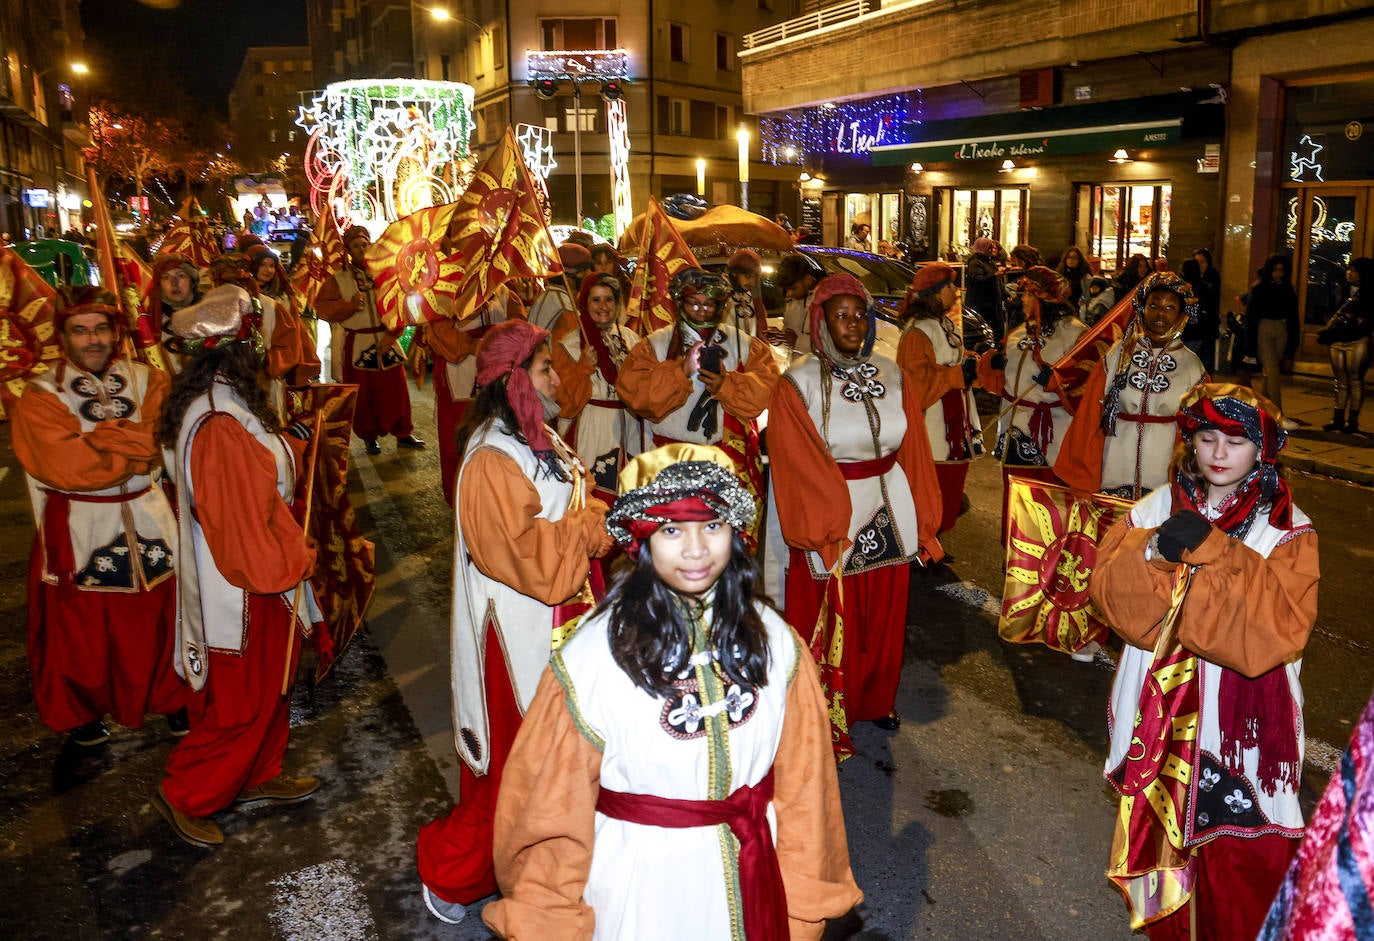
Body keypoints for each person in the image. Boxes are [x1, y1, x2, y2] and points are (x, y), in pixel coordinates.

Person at [482, 443, 864, 940]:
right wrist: (548, 917)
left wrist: (805, 901)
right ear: (641, 542)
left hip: (755, 877)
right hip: (639, 887)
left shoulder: (776, 643)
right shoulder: (593, 659)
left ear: (736, 532)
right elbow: (549, 813)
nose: (696, 550)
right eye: (671, 529)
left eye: (711, 525)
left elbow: (806, 788)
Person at [1091, 383, 1319, 940]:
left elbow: (1273, 633)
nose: (1218, 453)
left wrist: (1215, 552)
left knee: (1243, 848)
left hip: (1237, 721)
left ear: (1262, 450)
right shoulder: (1155, 507)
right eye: (1207, 438)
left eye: (1236, 442)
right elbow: (1111, 600)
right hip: (1159, 703)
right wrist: (1151, 554)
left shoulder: (1288, 529)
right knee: (1162, 831)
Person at [417, 320, 612, 925]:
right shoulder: (491, 460)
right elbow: (533, 559)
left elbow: (568, 506)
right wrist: (591, 527)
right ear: (514, 381)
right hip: (519, 643)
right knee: (517, 776)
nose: (559, 377)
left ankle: (560, 876)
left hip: (563, 620)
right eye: (546, 368)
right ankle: (452, 875)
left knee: (570, 764)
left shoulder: (537, 435)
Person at [154, 283, 321, 848]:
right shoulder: (220, 418)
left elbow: (258, 472)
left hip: (247, 569)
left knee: (271, 686)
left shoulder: (226, 403)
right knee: (245, 695)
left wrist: (292, 445)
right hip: (243, 581)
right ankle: (188, 792)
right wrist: (294, 562)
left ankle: (256, 774)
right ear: (238, 350)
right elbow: (244, 516)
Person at [11, 290, 187, 749]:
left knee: (163, 618)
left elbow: (162, 435)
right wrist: (132, 446)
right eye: (81, 330)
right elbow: (66, 465)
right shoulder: (40, 394)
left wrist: (103, 442)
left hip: (150, 519)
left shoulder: (149, 380)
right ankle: (83, 713)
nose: (93, 340)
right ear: (64, 336)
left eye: (102, 329)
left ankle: (173, 697)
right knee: (83, 635)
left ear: (116, 333)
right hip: (79, 529)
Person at [769, 273, 944, 730]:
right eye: (840, 316)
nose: (852, 325)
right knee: (827, 616)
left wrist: (925, 520)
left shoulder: (892, 373)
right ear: (821, 321)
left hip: (890, 503)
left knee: (883, 617)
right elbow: (797, 462)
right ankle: (820, 706)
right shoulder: (797, 383)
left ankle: (873, 699)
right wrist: (825, 528)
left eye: (859, 316)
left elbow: (916, 453)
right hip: (829, 516)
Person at [1056, 272, 1209, 501]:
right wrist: (1083, 478)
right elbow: (1089, 416)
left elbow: (1202, 432)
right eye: (1153, 305)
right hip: (1114, 463)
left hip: (1163, 471)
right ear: (1142, 309)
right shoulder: (1116, 355)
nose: (1160, 314)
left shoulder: (1192, 366)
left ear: (1181, 315)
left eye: (1169, 308)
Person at [615, 268, 780, 455]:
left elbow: (769, 390)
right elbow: (636, 396)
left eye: (709, 304)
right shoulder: (655, 345)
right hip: (668, 456)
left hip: (726, 456)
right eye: (694, 304)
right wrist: (680, 373)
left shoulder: (743, 344)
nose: (701, 311)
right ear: (680, 304)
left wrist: (726, 385)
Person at [978, 267, 1088, 547]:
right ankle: (1016, 559)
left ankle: (1051, 560)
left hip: (1051, 432)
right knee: (1016, 497)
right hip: (1015, 428)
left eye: (1027, 293)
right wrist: (994, 362)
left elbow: (1090, 378)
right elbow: (1005, 377)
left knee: (1048, 500)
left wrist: (1058, 381)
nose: (1022, 299)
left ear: (1044, 297)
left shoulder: (1075, 334)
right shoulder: (1020, 331)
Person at [313, 225, 425, 454]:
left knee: (397, 390)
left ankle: (403, 432)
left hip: (387, 340)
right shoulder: (339, 280)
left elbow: (399, 306)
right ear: (348, 250)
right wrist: (349, 306)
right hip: (358, 345)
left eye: (364, 244)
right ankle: (368, 436)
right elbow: (323, 308)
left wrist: (392, 335)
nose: (361, 249)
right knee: (365, 395)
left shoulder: (386, 274)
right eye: (356, 245)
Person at [416, 284, 527, 505]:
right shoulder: (445, 293)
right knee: (458, 441)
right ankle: (462, 501)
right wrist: (472, 344)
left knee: (500, 435)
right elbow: (440, 333)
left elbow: (520, 329)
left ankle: (496, 499)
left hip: (498, 377)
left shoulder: (505, 293)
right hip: (459, 377)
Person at [897, 262, 983, 536]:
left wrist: (976, 365)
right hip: (933, 428)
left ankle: (936, 539)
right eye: (950, 286)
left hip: (955, 423)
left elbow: (951, 363)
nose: (956, 291)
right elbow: (916, 384)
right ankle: (925, 542)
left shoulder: (943, 324)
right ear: (935, 292)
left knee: (951, 486)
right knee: (933, 486)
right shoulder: (918, 332)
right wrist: (957, 375)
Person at [550, 273, 642, 506]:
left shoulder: (631, 339)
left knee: (630, 496)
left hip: (630, 427)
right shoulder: (568, 346)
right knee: (596, 501)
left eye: (609, 299)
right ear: (585, 303)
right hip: (592, 428)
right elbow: (561, 400)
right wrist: (583, 369)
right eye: (596, 300)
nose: (603, 307)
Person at [1315, 256, 1374, 434]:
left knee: (1355, 380)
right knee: (1340, 381)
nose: (1350, 273)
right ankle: (1337, 418)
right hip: (1337, 339)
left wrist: (1357, 320)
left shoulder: (1369, 293)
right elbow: (1329, 311)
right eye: (1349, 269)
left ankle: (1353, 421)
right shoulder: (1341, 289)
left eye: (1354, 270)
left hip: (1358, 340)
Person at [1245, 256, 1301, 425]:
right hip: (1264, 328)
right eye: (1275, 270)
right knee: (1272, 371)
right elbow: (1251, 316)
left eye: (1281, 270)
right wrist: (1249, 344)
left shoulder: (1288, 288)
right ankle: (1278, 415)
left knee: (1269, 375)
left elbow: (1293, 316)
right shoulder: (1260, 287)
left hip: (1281, 328)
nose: (1278, 274)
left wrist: (1293, 343)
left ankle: (1263, 412)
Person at [528, 243, 592, 332]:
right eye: (583, 271)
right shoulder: (565, 307)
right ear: (567, 276)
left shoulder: (548, 295)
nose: (588, 275)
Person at [774, 252, 825, 354]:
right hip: (794, 366)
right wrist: (779, 339)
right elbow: (788, 345)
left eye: (793, 288)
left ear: (808, 280)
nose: (788, 293)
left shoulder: (825, 302)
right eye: (786, 289)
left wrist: (797, 341)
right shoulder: (791, 302)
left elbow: (829, 347)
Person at [1181, 248, 1222, 373]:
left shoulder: (1212, 278)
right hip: (1195, 330)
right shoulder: (1188, 285)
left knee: (1202, 362)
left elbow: (1211, 304)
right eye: (1197, 262)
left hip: (1203, 328)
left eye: (1203, 262)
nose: (1200, 265)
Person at [964, 237, 1006, 341]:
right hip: (981, 303)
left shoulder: (990, 262)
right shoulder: (975, 262)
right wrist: (994, 276)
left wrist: (1005, 294)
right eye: (989, 248)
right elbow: (977, 281)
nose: (992, 251)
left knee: (997, 330)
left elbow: (997, 282)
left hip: (993, 303)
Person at [724, 248, 769, 338]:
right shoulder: (721, 296)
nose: (752, 283)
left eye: (755, 278)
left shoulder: (749, 295)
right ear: (734, 273)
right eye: (748, 276)